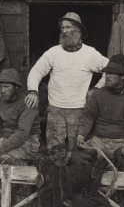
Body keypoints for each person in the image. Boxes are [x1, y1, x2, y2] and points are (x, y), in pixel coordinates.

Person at [25, 12, 109, 158]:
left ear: (78, 30)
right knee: (54, 153)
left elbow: (110, 69)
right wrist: (33, 91)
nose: (64, 31)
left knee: (77, 153)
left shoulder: (90, 54)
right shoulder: (53, 52)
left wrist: (96, 89)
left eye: (68, 27)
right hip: (55, 110)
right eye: (62, 28)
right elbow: (36, 71)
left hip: (79, 111)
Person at [74, 53, 124, 207]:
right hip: (98, 141)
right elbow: (87, 118)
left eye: (112, 73)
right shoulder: (98, 95)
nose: (107, 76)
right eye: (107, 73)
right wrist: (81, 135)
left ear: (122, 76)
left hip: (120, 142)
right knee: (77, 158)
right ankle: (81, 203)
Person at [0, 68, 40, 194]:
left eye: (6, 87)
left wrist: (0, 149)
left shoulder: (27, 102)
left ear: (16, 87)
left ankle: (3, 194)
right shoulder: (0, 101)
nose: (3, 90)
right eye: (1, 87)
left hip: (28, 142)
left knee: (1, 159)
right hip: (8, 139)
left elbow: (22, 134)